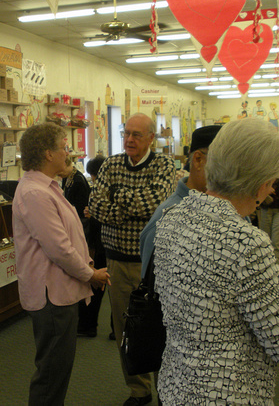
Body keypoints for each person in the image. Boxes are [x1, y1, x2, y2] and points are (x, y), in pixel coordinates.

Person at [154, 118, 279, 405]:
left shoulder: (171, 217)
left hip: (176, 385)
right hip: (229, 394)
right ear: (260, 184)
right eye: (272, 181)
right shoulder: (247, 242)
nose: (272, 189)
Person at [12, 123, 110, 406]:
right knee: (52, 373)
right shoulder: (35, 193)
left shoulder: (46, 187)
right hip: (51, 295)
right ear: (47, 154)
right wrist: (90, 274)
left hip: (58, 291)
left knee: (57, 369)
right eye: (63, 147)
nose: (68, 152)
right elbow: (59, 249)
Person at [88, 113, 175, 406]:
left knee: (161, 327)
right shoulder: (111, 164)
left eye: (137, 135)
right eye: (126, 133)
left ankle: (168, 389)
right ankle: (139, 390)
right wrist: (127, 205)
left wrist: (116, 196)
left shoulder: (163, 165)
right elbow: (96, 207)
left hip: (153, 263)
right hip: (117, 262)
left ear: (151, 137)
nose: (129, 140)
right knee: (126, 328)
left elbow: (154, 203)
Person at [140, 125, 222, 278]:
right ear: (198, 160)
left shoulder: (230, 210)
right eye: (225, 164)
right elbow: (151, 285)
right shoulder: (166, 218)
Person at [76, 155, 107, 338]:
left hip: (98, 246)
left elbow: (101, 222)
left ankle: (87, 326)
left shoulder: (99, 191)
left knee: (95, 287)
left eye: (93, 175)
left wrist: (92, 215)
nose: (92, 179)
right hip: (103, 245)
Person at [58, 157, 90, 222]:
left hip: (78, 218)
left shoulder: (78, 180)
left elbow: (80, 206)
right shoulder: (66, 177)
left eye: (61, 170)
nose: (59, 174)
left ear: (68, 166)